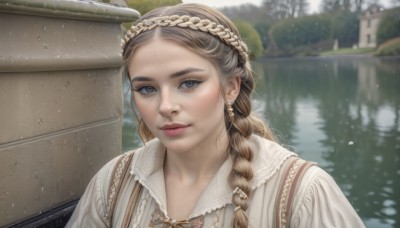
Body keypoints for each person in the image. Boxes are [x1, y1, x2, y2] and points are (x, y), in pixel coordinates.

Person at [67, 3, 365, 228]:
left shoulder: (302, 193)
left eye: (189, 83)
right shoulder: (112, 184)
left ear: (231, 87)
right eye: (146, 89)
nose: (165, 106)